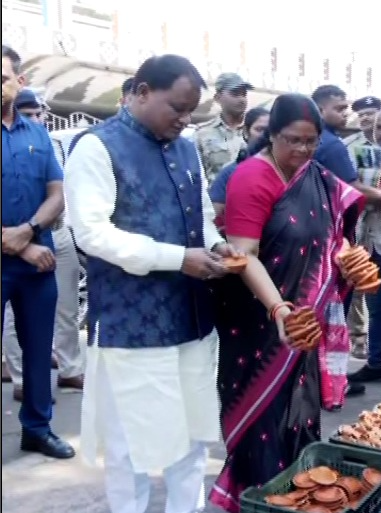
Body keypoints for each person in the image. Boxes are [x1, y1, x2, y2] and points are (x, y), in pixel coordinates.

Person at [65, 54, 238, 513]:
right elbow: (91, 232)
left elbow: (200, 214)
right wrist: (177, 259)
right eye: (176, 108)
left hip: (191, 320)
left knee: (193, 437)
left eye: (190, 112)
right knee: (131, 449)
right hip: (132, 327)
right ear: (141, 92)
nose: (184, 120)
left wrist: (217, 246)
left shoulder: (184, 147)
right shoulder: (97, 147)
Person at [209, 93, 364, 512]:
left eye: (311, 141)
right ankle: (258, 499)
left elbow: (333, 233)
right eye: (292, 140)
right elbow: (244, 254)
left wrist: (348, 257)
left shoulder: (317, 177)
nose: (302, 150)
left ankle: (302, 496)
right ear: (271, 136)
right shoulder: (252, 177)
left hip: (303, 323)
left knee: (300, 414)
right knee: (263, 419)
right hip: (258, 320)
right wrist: (279, 309)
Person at [1, 44, 73, 459]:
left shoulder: (39, 134)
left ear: (19, 81)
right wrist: (16, 245)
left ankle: (37, 428)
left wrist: (27, 233)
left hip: (38, 261)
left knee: (38, 346)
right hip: (24, 255)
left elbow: (57, 192)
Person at [4, 86, 84, 403]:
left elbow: (58, 193)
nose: (36, 119)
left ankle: (69, 369)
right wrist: (23, 242)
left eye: (40, 113)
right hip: (13, 242)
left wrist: (33, 230)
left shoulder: (45, 141)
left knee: (64, 309)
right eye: (29, 114)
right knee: (14, 318)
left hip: (55, 235)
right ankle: (22, 379)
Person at [346, 108, 381, 395]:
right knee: (376, 305)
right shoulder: (365, 153)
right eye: (379, 127)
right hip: (370, 239)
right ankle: (375, 361)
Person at [342, 95, 381, 362]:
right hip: (358, 222)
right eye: (363, 114)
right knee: (357, 280)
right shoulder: (349, 146)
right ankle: (359, 337)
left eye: (372, 112)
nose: (367, 118)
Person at [209, 106, 270, 220]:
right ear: (246, 132)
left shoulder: (284, 170)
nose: (264, 136)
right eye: (259, 130)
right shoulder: (230, 173)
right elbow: (214, 218)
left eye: (269, 131)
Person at [195, 72, 254, 181]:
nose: (242, 99)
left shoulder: (256, 130)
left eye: (244, 94)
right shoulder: (202, 133)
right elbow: (197, 176)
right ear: (218, 98)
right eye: (235, 94)